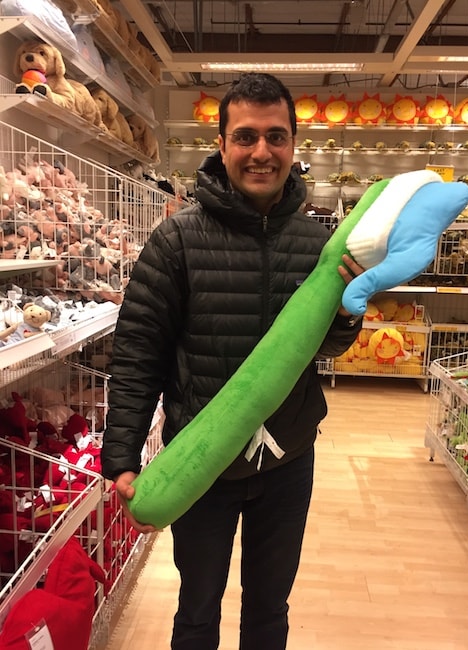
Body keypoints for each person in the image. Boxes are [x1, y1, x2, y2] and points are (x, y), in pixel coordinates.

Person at [101, 72, 364, 650]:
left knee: (270, 609)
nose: (261, 152)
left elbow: (328, 348)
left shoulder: (321, 243)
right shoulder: (176, 241)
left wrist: (347, 315)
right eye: (245, 137)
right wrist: (120, 455)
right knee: (197, 610)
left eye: (276, 136)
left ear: (294, 145)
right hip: (202, 461)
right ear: (221, 146)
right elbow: (138, 354)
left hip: (288, 458)